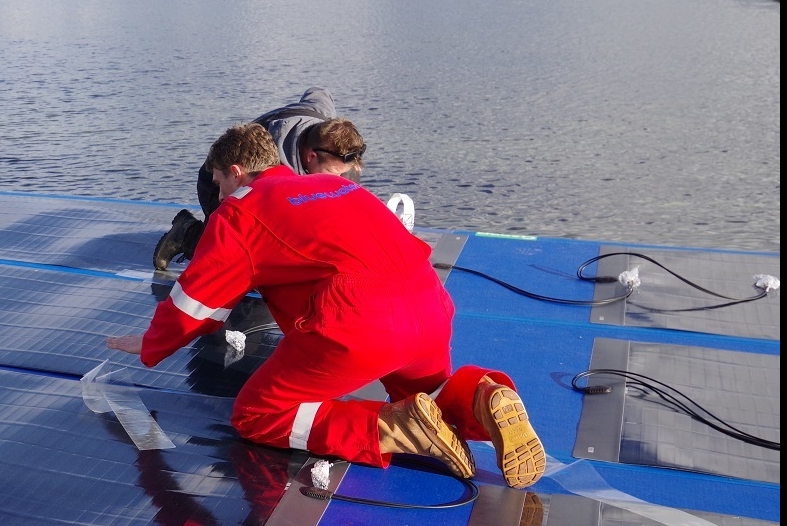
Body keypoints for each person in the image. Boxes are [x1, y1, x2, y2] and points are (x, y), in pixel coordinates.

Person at [108, 122, 546, 488]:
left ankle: (393, 428)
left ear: (236, 172)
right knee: (427, 393)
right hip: (430, 305)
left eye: (219, 181)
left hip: (360, 322)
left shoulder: (240, 212)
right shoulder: (333, 186)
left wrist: (150, 345)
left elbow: (197, 306)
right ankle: (482, 398)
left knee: (258, 413)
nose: (218, 194)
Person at [154, 86, 348, 272]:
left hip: (243, 175)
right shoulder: (282, 154)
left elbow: (319, 92)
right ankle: (186, 234)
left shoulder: (325, 124)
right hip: (220, 178)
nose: (334, 179)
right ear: (311, 156)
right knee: (231, 251)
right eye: (330, 172)